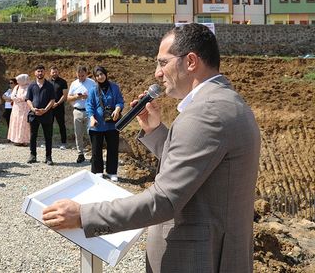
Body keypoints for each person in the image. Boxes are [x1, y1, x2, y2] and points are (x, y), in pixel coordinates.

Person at [42, 23, 261, 273]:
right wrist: (156, 131)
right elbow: (198, 168)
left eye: (162, 63)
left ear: (190, 61)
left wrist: (84, 215)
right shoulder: (224, 101)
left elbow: (164, 200)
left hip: (198, 261)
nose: (157, 73)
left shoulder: (206, 112)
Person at [86, 66, 124, 182]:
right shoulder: (93, 90)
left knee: (113, 148)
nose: (100, 77)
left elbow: (120, 101)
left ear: (106, 74)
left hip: (112, 124)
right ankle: (98, 171)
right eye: (97, 75)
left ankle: (112, 171)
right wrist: (92, 118)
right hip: (97, 125)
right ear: (95, 78)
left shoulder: (114, 87)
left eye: (101, 74)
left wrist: (117, 109)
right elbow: (89, 105)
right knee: (96, 149)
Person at [26, 65, 56, 165]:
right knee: (33, 136)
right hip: (34, 114)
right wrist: (33, 109)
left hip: (46, 115)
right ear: (35, 73)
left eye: (42, 71)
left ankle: (48, 157)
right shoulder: (31, 85)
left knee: (48, 136)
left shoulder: (49, 85)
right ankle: (33, 155)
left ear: (44, 72)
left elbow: (52, 100)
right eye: (38, 71)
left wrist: (46, 110)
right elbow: (28, 99)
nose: (40, 73)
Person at [67, 66, 97, 163]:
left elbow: (97, 96)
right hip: (77, 110)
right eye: (79, 76)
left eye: (82, 75)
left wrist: (88, 97)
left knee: (91, 133)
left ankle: (94, 154)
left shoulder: (92, 83)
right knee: (78, 133)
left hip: (89, 111)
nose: (81, 77)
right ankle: (80, 154)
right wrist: (77, 97)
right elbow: (68, 98)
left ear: (86, 73)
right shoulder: (74, 84)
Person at [7, 74, 31, 146]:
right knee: (16, 123)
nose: (17, 81)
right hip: (16, 109)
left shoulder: (28, 87)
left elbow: (26, 97)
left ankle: (25, 140)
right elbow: (12, 96)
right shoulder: (17, 87)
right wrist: (18, 99)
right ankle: (17, 140)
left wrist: (18, 98)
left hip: (25, 109)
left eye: (18, 80)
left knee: (24, 124)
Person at [49, 66, 68, 150]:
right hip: (49, 107)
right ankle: (48, 142)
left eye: (56, 72)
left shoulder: (63, 82)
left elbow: (65, 95)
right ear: (50, 73)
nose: (54, 73)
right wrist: (49, 104)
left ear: (58, 72)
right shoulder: (47, 82)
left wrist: (57, 103)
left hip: (59, 107)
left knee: (61, 125)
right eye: (53, 72)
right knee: (48, 125)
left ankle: (63, 142)